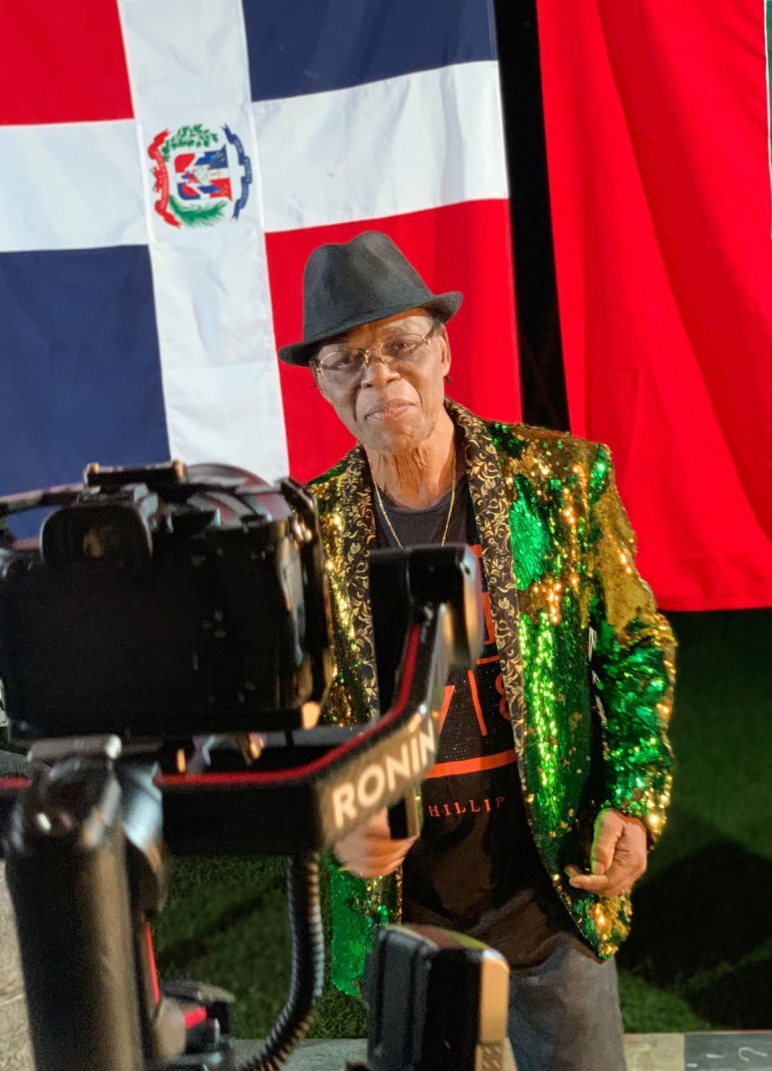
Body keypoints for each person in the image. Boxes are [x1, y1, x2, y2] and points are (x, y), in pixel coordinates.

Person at [278, 231, 674, 1071]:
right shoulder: (305, 533)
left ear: (445, 348)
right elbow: (289, 718)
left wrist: (634, 797)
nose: (378, 376)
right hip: (403, 911)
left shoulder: (560, 482)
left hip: (550, 891)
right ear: (321, 385)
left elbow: (636, 645)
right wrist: (336, 817)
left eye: (400, 344)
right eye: (344, 360)